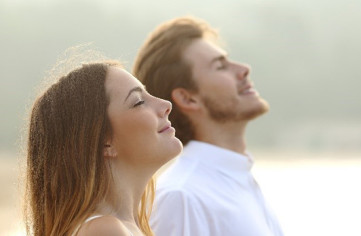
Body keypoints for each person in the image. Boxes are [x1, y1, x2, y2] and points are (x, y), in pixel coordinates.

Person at [132, 16, 283, 236]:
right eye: (220, 66)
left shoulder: (239, 180)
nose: (243, 69)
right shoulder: (182, 197)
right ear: (188, 99)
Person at [24, 58, 182, 236]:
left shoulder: (124, 227)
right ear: (104, 141)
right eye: (138, 102)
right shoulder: (104, 230)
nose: (166, 105)